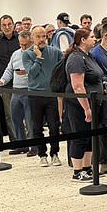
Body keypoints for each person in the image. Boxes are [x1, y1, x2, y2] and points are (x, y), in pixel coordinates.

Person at [63, 28, 104, 180]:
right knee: (80, 136)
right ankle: (77, 171)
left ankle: (87, 168)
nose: (95, 39)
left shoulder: (89, 56)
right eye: (92, 37)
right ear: (83, 40)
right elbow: (78, 86)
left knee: (89, 137)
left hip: (93, 103)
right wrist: (86, 108)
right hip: (78, 104)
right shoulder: (75, 58)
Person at [23, 26, 65, 167]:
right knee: (37, 127)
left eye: (43, 36)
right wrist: (38, 58)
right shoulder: (27, 54)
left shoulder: (55, 52)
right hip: (35, 95)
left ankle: (55, 153)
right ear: (32, 38)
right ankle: (42, 154)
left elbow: (64, 65)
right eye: (38, 37)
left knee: (54, 126)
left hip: (51, 94)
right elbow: (32, 73)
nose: (41, 39)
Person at [0, 31, 33, 154]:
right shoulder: (16, 54)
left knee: (30, 119)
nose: (24, 47)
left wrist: (27, 72)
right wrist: (2, 81)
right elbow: (9, 69)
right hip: (16, 90)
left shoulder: (35, 53)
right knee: (15, 118)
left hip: (29, 90)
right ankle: (21, 144)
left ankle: (33, 145)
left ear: (31, 42)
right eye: (21, 44)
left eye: (26, 45)